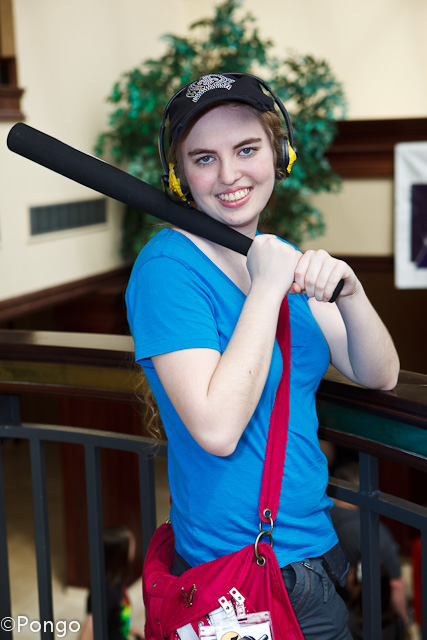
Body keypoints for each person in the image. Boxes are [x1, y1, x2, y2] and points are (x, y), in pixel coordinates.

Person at [125, 72, 400, 640]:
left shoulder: (277, 257)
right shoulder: (167, 270)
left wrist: (351, 292)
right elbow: (217, 428)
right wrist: (268, 286)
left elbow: (379, 373)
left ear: (279, 154)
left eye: (246, 149)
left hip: (311, 557)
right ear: (180, 175)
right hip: (238, 574)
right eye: (204, 158)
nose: (229, 175)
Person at [330, 462, 408, 638]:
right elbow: (395, 584)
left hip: (334, 615)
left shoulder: (320, 519)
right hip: (370, 620)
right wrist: (403, 622)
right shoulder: (371, 532)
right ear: (361, 491)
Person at [79, 527, 144, 640]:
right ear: (121, 553)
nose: (135, 548)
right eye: (132, 545)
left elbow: (113, 620)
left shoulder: (118, 581)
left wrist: (130, 630)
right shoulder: (106, 593)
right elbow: (86, 636)